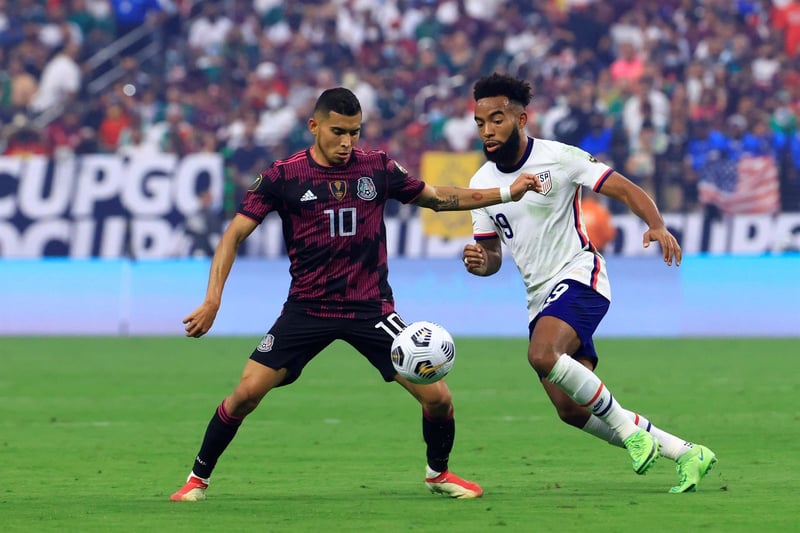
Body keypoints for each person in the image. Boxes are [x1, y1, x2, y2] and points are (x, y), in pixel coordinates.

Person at [170, 87, 542, 502]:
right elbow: (233, 235)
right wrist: (213, 300)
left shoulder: (377, 167)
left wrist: (508, 192)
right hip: (307, 309)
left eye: (355, 132)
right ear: (313, 127)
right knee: (246, 394)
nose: (347, 142)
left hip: (370, 308)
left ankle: (439, 474)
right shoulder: (283, 176)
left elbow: (438, 198)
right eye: (338, 132)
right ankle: (196, 479)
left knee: (438, 397)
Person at [461, 73, 717, 493]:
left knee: (542, 354)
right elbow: (491, 257)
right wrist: (479, 261)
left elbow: (622, 187)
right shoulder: (481, 185)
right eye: (480, 122)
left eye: (497, 119)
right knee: (570, 409)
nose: (487, 130)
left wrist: (656, 225)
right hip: (539, 298)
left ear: (521, 119)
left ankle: (633, 435)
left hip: (580, 275)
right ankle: (687, 453)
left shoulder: (558, 157)